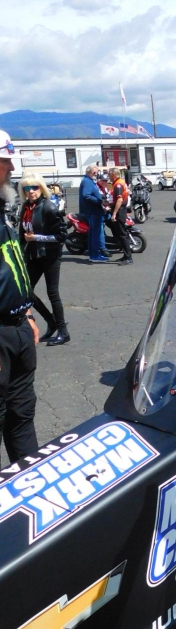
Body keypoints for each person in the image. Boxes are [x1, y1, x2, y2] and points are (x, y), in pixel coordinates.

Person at [0, 131, 40, 464]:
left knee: (22, 413)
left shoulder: (2, 208)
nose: (11, 168)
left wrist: (26, 312)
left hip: (18, 327)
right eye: (4, 162)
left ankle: (28, 480)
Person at [18, 172, 69, 346]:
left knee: (52, 293)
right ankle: (51, 321)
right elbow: (22, 234)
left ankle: (63, 331)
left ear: (41, 188)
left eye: (35, 187)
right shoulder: (26, 207)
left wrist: (36, 237)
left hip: (50, 255)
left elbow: (62, 236)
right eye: (27, 188)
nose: (31, 191)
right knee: (26, 291)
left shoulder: (49, 208)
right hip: (34, 255)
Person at [79, 164, 108, 263]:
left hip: (93, 211)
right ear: (89, 172)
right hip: (93, 211)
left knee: (92, 234)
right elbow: (86, 195)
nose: (96, 174)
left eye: (97, 172)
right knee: (95, 234)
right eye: (94, 172)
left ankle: (93, 255)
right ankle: (95, 255)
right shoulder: (87, 181)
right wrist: (99, 201)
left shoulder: (89, 181)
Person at [108, 167, 132, 265]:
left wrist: (114, 213)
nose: (109, 177)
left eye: (109, 174)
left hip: (119, 211)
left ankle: (128, 257)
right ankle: (125, 256)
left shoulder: (118, 184)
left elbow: (119, 200)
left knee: (122, 235)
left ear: (113, 175)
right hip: (121, 210)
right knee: (121, 234)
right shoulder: (120, 182)